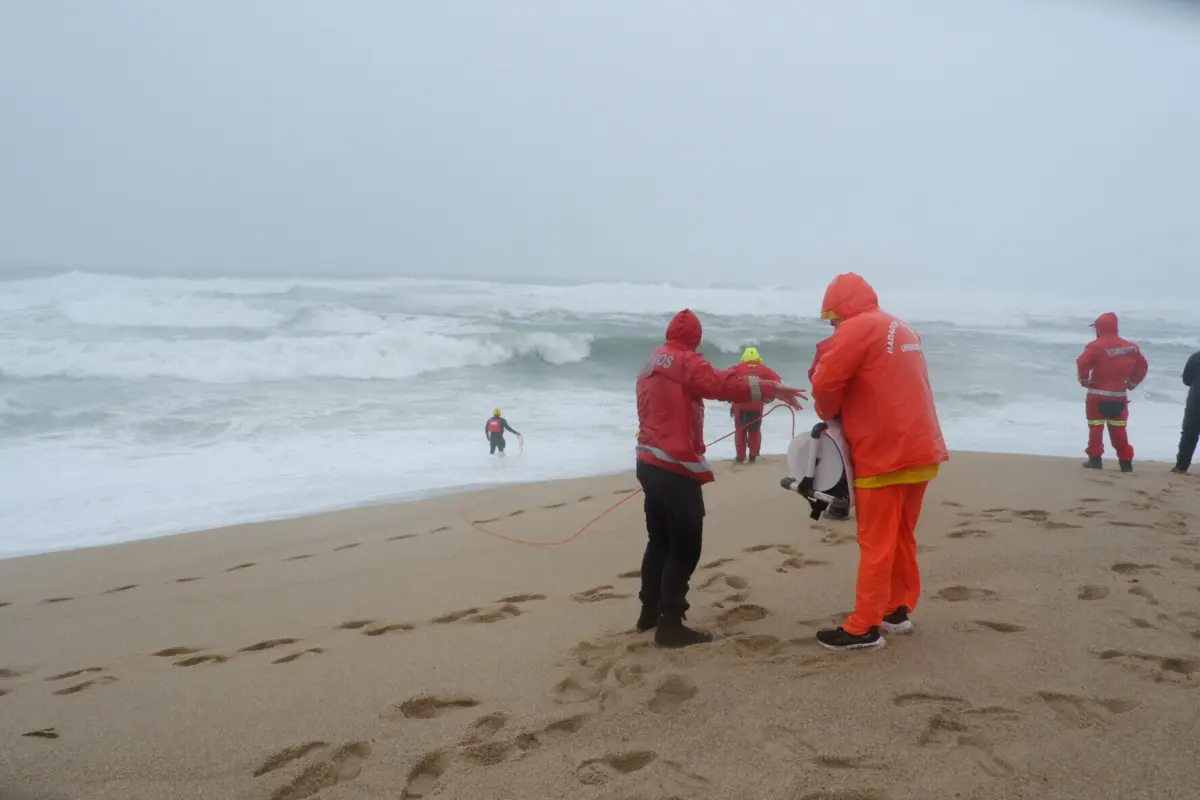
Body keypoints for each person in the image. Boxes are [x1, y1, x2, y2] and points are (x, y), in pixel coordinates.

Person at [636, 309, 806, 648]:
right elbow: (721, 384)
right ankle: (671, 625)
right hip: (674, 468)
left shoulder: (651, 361)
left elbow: (710, 383)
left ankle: (648, 614)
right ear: (695, 339)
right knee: (685, 546)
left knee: (659, 541)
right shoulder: (685, 361)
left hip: (648, 462)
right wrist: (772, 387)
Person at [809, 273, 948, 651]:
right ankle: (896, 610)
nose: (833, 324)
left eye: (832, 317)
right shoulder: (901, 327)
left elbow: (825, 384)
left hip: (884, 452)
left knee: (876, 542)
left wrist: (828, 414)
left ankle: (862, 628)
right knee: (901, 535)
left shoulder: (857, 329)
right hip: (921, 448)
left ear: (839, 308)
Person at [1075, 313, 1148, 473]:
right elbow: (1142, 366)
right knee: (1119, 430)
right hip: (1119, 397)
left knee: (1095, 428)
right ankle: (1125, 463)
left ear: (1099, 328)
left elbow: (1082, 363)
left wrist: (1084, 380)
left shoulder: (1095, 346)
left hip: (1097, 396)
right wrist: (1131, 383)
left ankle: (1095, 460)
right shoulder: (1131, 347)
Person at [808, 337, 849, 521]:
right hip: (871, 409)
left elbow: (816, 376)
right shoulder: (882, 339)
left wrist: (827, 410)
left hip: (840, 410)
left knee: (839, 453)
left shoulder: (828, 345)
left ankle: (841, 501)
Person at [727, 346, 782, 464]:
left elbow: (725, 381)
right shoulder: (764, 369)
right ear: (757, 358)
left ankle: (740, 457)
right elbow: (777, 382)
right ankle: (753, 455)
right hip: (756, 405)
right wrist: (767, 397)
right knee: (755, 431)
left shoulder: (736, 368)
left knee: (740, 430)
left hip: (740, 405)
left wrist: (730, 399)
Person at [1173, 350, 1200, 474]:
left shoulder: (1196, 357)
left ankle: (1181, 466)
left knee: (1190, 432)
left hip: (1197, 398)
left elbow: (1186, 380)